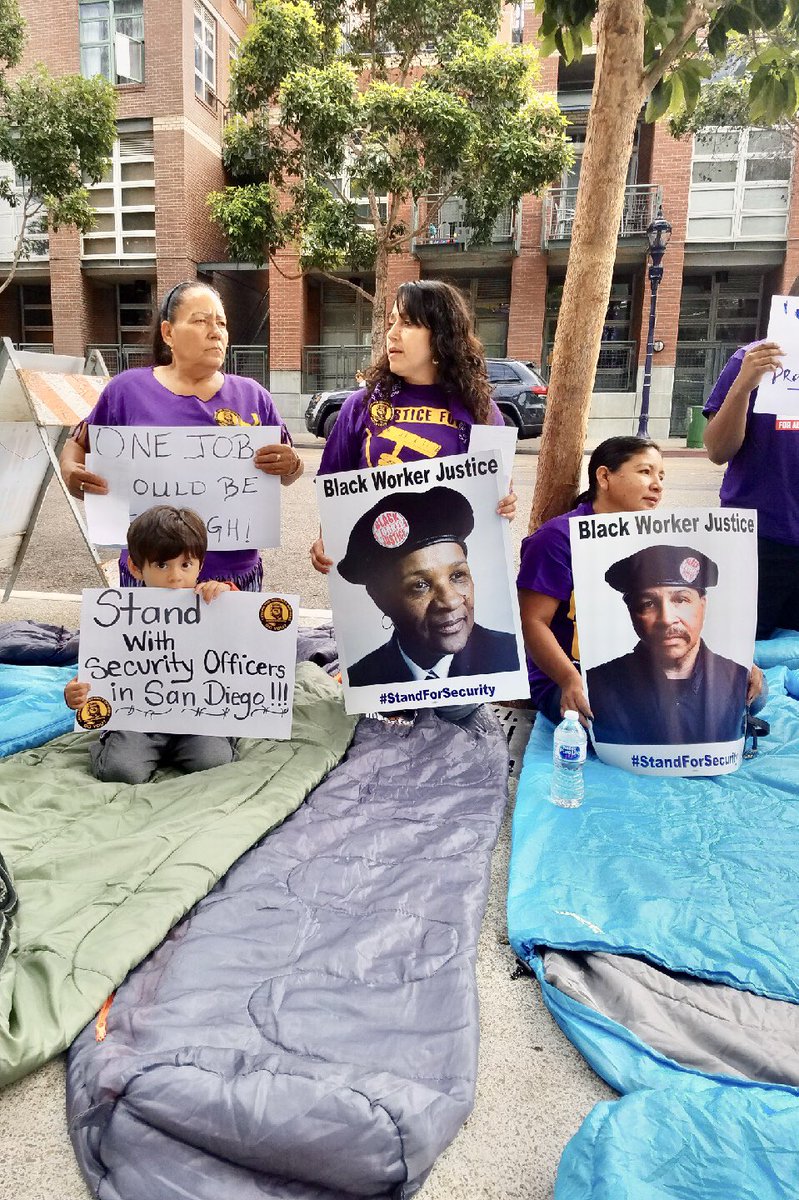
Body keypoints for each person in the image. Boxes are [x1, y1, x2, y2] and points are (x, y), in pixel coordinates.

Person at [59, 281, 303, 592]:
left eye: (222, 323)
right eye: (201, 321)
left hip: (231, 578)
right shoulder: (127, 390)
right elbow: (78, 443)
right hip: (151, 574)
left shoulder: (253, 396)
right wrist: (71, 471)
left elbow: (290, 472)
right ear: (168, 333)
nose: (215, 332)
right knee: (150, 644)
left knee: (226, 644)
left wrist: (291, 465)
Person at [310, 278, 515, 574]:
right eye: (392, 322)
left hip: (439, 571)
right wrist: (326, 536)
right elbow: (333, 485)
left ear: (441, 335)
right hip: (374, 571)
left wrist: (504, 506)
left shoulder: (480, 412)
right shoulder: (360, 405)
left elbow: (488, 507)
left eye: (406, 323)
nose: (391, 334)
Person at [65, 506, 237, 784]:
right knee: (121, 770)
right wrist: (75, 691)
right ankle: (112, 746)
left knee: (214, 761)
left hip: (196, 716)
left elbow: (245, 625)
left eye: (185, 564)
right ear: (136, 566)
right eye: (161, 565)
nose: (175, 576)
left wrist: (228, 591)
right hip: (136, 719)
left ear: (200, 565)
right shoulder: (116, 614)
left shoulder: (211, 600)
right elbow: (99, 668)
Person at [517, 436, 665, 727]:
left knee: (747, 695)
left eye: (661, 476)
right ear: (604, 476)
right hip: (569, 677)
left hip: (642, 672)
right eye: (645, 472)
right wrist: (569, 680)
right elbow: (532, 622)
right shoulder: (556, 539)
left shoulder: (655, 538)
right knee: (627, 723)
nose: (657, 485)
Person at [337, 489, 519, 686]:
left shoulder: (511, 656)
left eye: (458, 575)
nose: (450, 601)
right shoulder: (361, 682)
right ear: (380, 598)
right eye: (420, 585)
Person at [586, 544, 752, 746]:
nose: (666, 619)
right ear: (631, 612)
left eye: (681, 600)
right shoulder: (596, 683)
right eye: (648, 603)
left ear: (703, 605)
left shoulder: (740, 679)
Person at [703, 329, 799, 639]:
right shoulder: (751, 359)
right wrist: (744, 386)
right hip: (757, 539)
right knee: (738, 654)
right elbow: (717, 450)